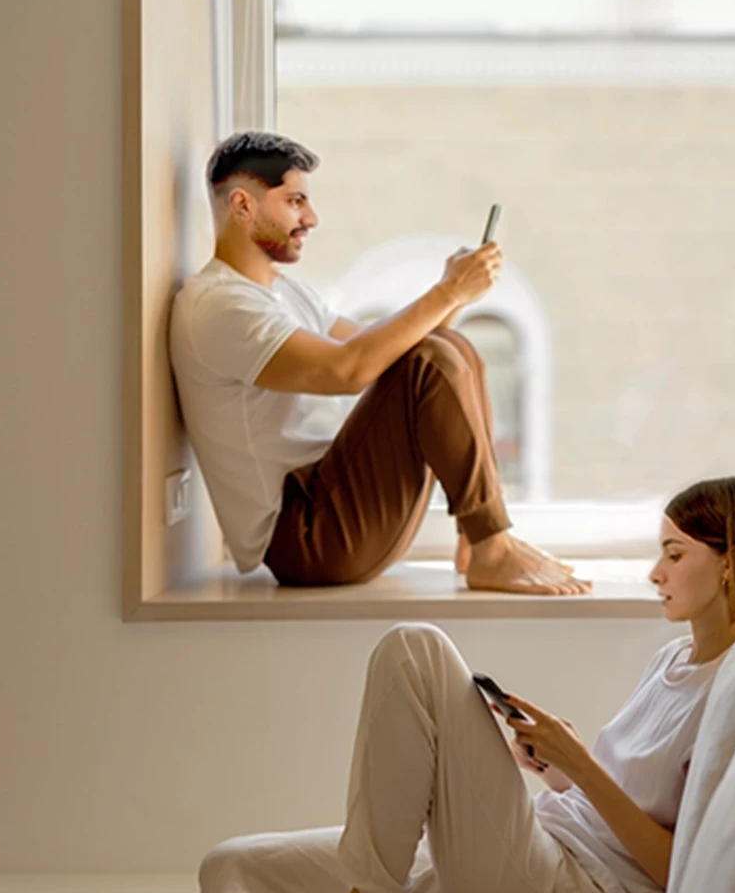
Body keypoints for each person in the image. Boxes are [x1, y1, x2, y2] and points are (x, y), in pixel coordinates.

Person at [198, 476, 735, 893]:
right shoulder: (671, 660)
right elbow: (629, 791)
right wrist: (553, 766)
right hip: (542, 837)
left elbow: (680, 866)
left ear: (731, 560)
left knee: (416, 649)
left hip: (572, 889)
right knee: (232, 875)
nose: (655, 573)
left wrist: (580, 763)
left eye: (674, 554)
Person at [170, 130, 589, 594]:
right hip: (307, 538)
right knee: (433, 356)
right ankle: (491, 546)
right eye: (294, 201)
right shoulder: (220, 305)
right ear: (244, 206)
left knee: (455, 348)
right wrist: (446, 292)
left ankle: (478, 543)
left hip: (334, 509)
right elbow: (346, 371)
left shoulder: (282, 291)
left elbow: (391, 350)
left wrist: (459, 295)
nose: (311, 218)